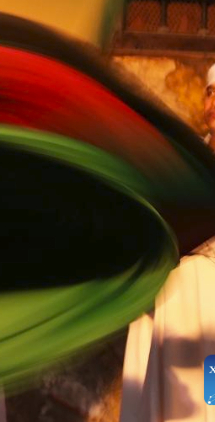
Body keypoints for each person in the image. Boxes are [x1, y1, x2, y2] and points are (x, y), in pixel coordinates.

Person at [120, 65, 215, 422]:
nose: (214, 102)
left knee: (209, 395)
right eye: (210, 92)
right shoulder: (182, 160)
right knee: (166, 400)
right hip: (174, 294)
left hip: (210, 302)